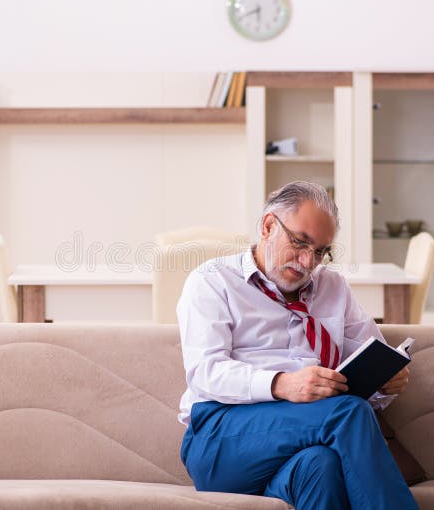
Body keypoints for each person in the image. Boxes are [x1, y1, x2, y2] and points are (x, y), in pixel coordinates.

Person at [177, 181, 418, 510]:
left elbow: (370, 357)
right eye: (300, 242)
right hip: (222, 437)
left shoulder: (333, 288)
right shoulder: (212, 281)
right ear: (268, 226)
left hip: (306, 437)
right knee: (347, 413)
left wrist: (386, 382)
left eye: (319, 251)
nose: (307, 261)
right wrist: (282, 383)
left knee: (321, 467)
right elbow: (206, 372)